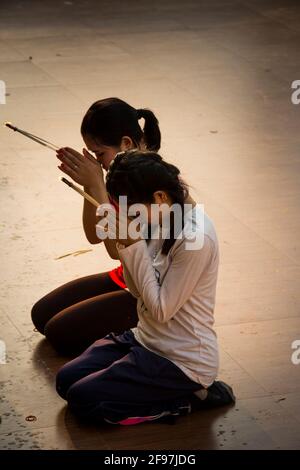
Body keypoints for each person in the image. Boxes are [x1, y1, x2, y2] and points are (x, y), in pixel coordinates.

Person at [56, 150, 235, 426]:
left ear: (160, 197)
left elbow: (161, 310)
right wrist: (127, 245)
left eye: (131, 208)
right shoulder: (158, 217)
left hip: (182, 359)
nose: (129, 215)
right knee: (65, 380)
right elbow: (137, 290)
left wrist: (134, 246)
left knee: (85, 400)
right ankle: (154, 385)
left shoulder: (195, 238)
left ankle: (186, 400)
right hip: (146, 338)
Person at [31, 98, 161, 355]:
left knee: (60, 332)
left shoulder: (153, 184)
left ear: (126, 143)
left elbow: (117, 250)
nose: (98, 162)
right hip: (128, 276)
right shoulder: (120, 174)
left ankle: (142, 338)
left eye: (100, 154)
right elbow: (94, 235)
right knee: (41, 315)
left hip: (151, 292)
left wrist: (99, 189)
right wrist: (91, 185)